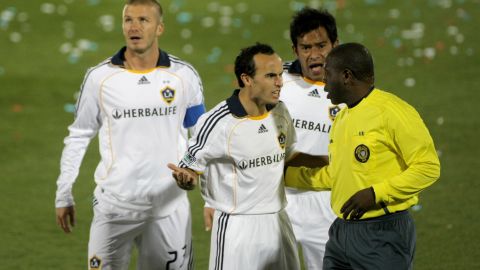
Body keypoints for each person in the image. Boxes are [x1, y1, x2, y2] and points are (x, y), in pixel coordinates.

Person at [54, 1, 205, 269]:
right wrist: (63, 193)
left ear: (159, 28)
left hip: (168, 208)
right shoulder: (99, 78)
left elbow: (202, 136)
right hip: (114, 208)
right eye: (128, 20)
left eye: (143, 20)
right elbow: (78, 135)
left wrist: (198, 177)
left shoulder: (184, 76)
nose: (134, 27)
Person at [285, 43, 441, 269]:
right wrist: (283, 177)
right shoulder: (342, 117)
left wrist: (376, 194)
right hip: (341, 232)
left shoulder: (393, 112)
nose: (324, 82)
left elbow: (428, 167)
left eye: (328, 74)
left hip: (382, 233)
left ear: (346, 76)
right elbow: (337, 174)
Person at [168, 43, 300, 270]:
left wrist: (330, 162)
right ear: (247, 79)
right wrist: (187, 178)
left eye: (279, 75)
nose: (279, 82)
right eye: (270, 76)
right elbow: (189, 166)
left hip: (278, 222)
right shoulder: (217, 122)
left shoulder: (281, 112)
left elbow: (287, 158)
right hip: (237, 229)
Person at [280, 7, 340, 269]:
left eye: (321, 45)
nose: (314, 54)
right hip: (279, 200)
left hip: (328, 201)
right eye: (306, 47)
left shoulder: (351, 87)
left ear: (335, 45)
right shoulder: (275, 80)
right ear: (295, 50)